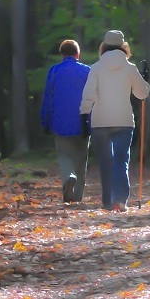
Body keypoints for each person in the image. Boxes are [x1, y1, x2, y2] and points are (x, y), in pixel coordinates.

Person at [80, 30, 150, 212]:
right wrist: (146, 81)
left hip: (100, 121)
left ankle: (106, 201)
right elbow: (142, 94)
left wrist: (84, 114)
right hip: (124, 121)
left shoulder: (96, 68)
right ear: (123, 46)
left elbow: (89, 94)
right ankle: (120, 200)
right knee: (121, 160)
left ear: (104, 46)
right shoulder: (130, 68)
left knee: (105, 162)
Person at [40, 39, 91, 203]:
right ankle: (78, 196)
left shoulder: (54, 71)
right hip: (83, 122)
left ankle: (69, 176)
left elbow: (48, 98)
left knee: (63, 155)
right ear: (78, 54)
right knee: (81, 159)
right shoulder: (87, 71)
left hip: (60, 122)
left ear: (62, 55)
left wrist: (45, 121)